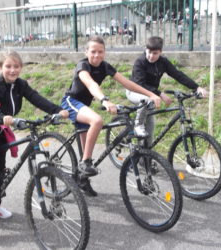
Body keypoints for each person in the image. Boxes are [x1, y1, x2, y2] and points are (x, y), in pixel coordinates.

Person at [0, 51, 69, 244]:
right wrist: (0, 117)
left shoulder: (20, 85)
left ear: (21, 68)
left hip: (0, 128)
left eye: (16, 66)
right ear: (0, 68)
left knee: (0, 169)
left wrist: (57, 110)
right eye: (8, 66)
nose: (12, 70)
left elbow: (36, 98)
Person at [60, 36, 161, 196]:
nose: (96, 55)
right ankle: (85, 164)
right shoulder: (83, 65)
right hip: (71, 102)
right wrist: (105, 100)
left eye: (100, 52)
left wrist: (151, 95)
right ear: (87, 52)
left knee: (87, 149)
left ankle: (82, 179)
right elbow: (91, 84)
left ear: (105, 53)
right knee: (97, 120)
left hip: (85, 106)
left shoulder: (105, 66)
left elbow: (128, 83)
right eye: (93, 52)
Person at [126, 36, 208, 149]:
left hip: (152, 96)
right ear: (145, 49)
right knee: (147, 101)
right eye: (149, 52)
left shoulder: (163, 62)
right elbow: (139, 84)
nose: (151, 56)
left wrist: (196, 87)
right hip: (134, 91)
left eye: (155, 53)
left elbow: (178, 75)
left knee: (149, 131)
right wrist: (160, 94)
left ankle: (145, 159)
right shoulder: (140, 61)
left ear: (160, 52)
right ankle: (138, 125)